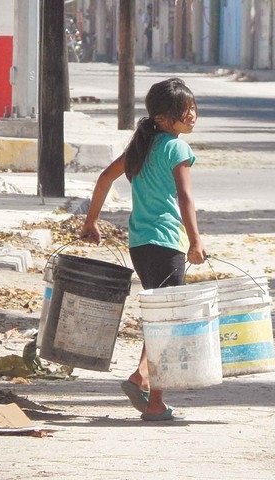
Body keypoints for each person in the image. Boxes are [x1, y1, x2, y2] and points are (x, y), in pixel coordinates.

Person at [81, 78, 206, 421]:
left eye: (194, 108)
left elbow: (104, 178)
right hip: (167, 243)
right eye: (186, 111)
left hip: (139, 244)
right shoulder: (176, 149)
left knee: (159, 319)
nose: (193, 115)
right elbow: (185, 197)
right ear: (165, 119)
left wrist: (90, 222)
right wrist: (195, 239)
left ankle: (149, 392)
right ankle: (146, 388)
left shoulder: (141, 147)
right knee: (166, 322)